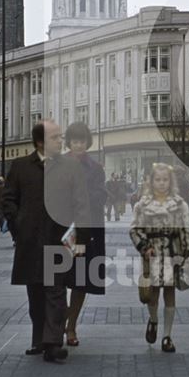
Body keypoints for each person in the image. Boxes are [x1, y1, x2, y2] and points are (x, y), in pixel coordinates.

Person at [1, 120, 89, 363]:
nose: (61, 141)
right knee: (35, 292)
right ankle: (39, 339)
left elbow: (82, 204)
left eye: (61, 137)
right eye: (55, 138)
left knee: (56, 292)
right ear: (40, 142)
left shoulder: (70, 167)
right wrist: (18, 227)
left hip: (58, 240)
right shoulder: (20, 167)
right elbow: (8, 200)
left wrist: (80, 238)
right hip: (30, 241)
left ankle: (52, 343)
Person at [130, 162, 189, 354]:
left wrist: (187, 255)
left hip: (172, 255)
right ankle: (154, 320)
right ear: (151, 181)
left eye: (165, 179)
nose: (161, 183)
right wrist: (144, 246)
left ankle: (167, 336)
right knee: (152, 294)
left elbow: (186, 231)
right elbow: (135, 229)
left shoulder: (179, 204)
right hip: (152, 255)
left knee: (169, 293)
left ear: (171, 181)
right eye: (158, 179)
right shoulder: (143, 205)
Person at [63, 122, 107, 347]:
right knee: (58, 278)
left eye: (82, 141)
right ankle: (59, 318)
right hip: (61, 231)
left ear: (87, 143)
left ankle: (71, 326)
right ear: (68, 142)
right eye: (74, 140)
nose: (78, 144)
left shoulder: (96, 168)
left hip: (85, 231)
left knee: (80, 281)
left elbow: (101, 196)